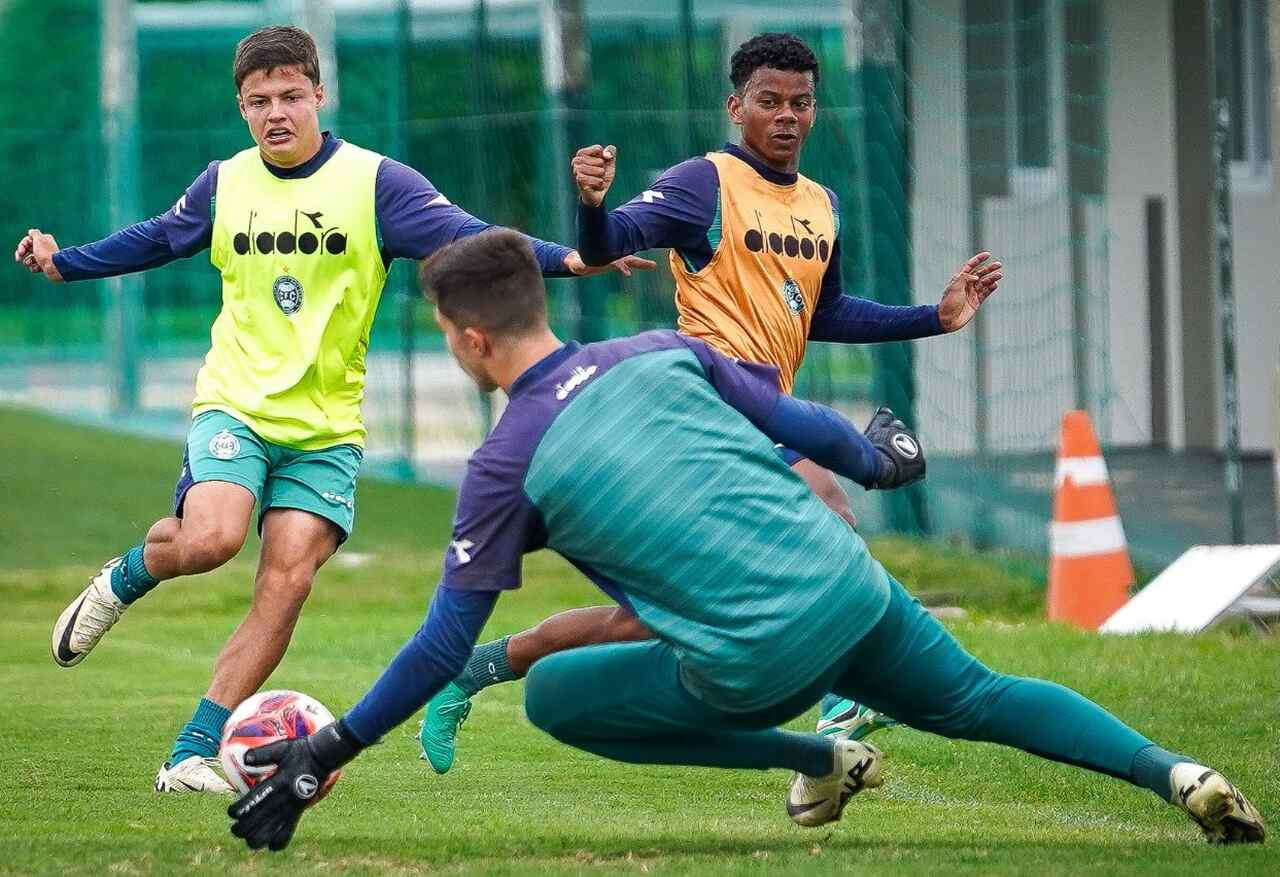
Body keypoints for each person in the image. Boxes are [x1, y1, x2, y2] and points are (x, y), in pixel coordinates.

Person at [226, 229, 1263, 852]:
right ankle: (1173, 773)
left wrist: (325, 754)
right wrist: (873, 460)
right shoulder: (662, 349)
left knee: (552, 696)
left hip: (756, 666)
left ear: (465, 337)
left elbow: (441, 645)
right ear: (536, 302)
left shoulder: (502, 469)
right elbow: (800, 424)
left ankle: (819, 750)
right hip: (846, 580)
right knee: (978, 699)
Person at [14, 25, 646, 795]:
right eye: (258, 101)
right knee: (212, 537)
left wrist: (573, 256)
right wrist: (63, 262)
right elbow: (156, 237)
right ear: (241, 108)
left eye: (289, 96)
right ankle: (129, 575)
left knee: (287, 580)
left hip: (325, 430)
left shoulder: (378, 185)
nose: (276, 113)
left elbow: (473, 235)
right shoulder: (225, 182)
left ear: (319, 93)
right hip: (235, 403)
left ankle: (189, 752)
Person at [419, 31, 1002, 773]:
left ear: (815, 111)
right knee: (830, 514)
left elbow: (826, 313)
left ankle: (480, 667)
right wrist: (592, 205)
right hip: (703, 403)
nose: (786, 116)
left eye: (801, 103)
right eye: (769, 101)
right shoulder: (705, 182)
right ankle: (842, 708)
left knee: (648, 620)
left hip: (765, 406)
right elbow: (608, 245)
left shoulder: (823, 204)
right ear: (736, 107)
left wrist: (933, 317)